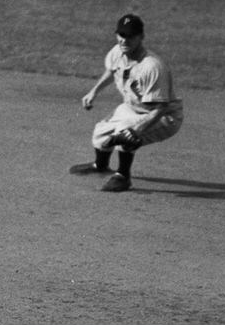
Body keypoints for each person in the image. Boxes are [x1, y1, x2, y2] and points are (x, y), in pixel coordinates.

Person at [71, 14, 183, 193]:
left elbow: (160, 108)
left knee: (125, 132)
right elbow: (111, 71)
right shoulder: (118, 51)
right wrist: (94, 92)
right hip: (133, 107)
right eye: (121, 35)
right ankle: (100, 165)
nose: (125, 40)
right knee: (101, 132)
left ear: (141, 37)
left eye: (130, 36)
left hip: (164, 116)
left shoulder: (152, 67)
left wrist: (136, 130)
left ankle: (123, 176)